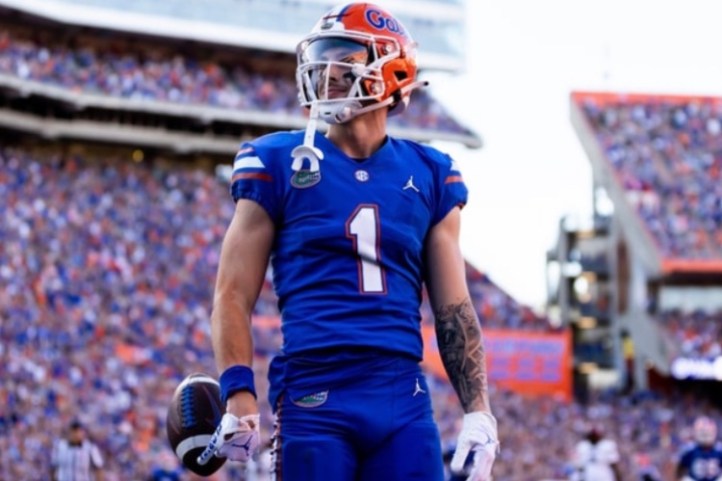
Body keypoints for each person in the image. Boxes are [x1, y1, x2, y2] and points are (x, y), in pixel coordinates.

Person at [197, 3, 498, 480]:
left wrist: (478, 410)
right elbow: (231, 294)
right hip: (314, 391)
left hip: (402, 395)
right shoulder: (277, 161)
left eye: (345, 57)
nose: (328, 70)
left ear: (393, 71)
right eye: (322, 57)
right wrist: (239, 392)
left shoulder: (431, 172)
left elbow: (453, 309)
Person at [676, 416, 722, 481]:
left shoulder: (719, 450)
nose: (706, 435)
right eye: (703, 433)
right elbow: (679, 469)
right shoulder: (690, 449)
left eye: (708, 432)